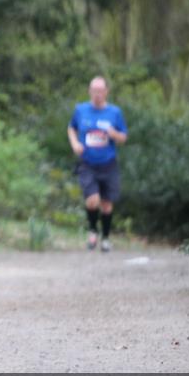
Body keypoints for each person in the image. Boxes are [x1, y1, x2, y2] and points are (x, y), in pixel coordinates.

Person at [67, 76, 128, 252]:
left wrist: (113, 134)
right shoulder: (81, 110)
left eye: (100, 91)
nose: (97, 94)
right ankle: (93, 231)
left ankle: (106, 238)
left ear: (106, 92)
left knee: (107, 204)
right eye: (94, 91)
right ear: (89, 91)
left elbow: (123, 137)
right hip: (87, 163)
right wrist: (75, 144)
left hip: (108, 163)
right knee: (92, 200)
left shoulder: (115, 113)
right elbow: (71, 128)